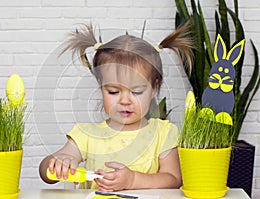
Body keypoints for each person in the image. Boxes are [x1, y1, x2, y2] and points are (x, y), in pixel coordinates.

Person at [39, 22, 193, 192]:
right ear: (101, 87)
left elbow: (173, 178)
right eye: (113, 92)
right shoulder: (86, 135)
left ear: (153, 89)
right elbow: (45, 172)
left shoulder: (163, 133)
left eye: (136, 91)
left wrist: (133, 180)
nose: (125, 101)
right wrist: (60, 161)